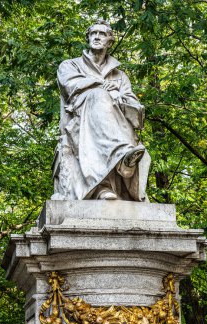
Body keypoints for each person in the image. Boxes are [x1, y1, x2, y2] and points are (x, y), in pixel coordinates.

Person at [52, 20, 150, 201]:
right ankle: (121, 159)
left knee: (106, 104)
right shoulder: (70, 65)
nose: (97, 37)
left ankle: (112, 176)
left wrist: (120, 98)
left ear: (110, 42)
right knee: (98, 96)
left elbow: (132, 103)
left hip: (116, 120)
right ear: (87, 38)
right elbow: (69, 86)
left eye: (102, 34)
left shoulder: (120, 75)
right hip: (81, 120)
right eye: (93, 33)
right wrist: (100, 84)